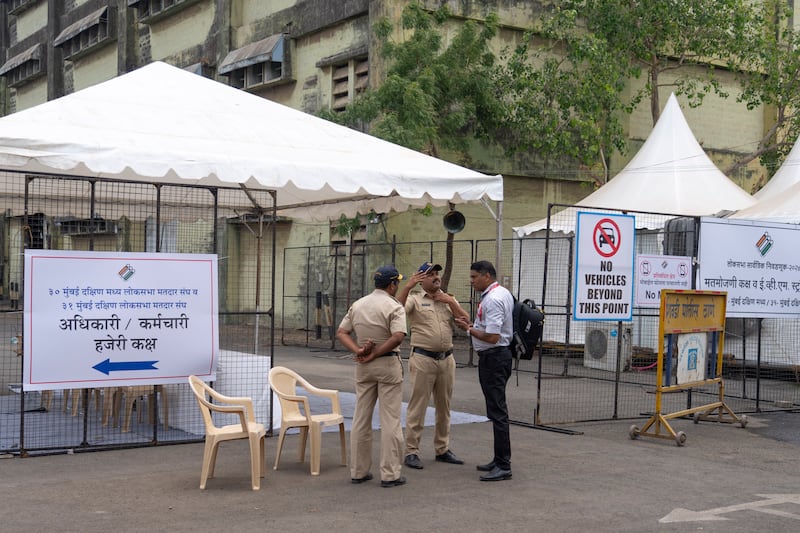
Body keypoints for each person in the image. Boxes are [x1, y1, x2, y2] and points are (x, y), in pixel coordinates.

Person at [336, 265, 407, 488]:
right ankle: (390, 473)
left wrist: (359, 351)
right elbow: (397, 337)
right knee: (390, 421)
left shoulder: (359, 304)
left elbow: (341, 332)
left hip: (363, 365)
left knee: (361, 418)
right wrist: (377, 351)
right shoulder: (393, 306)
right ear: (392, 284)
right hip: (386, 363)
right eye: (397, 283)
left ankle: (358, 470)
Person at [397, 261, 470, 470]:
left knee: (444, 407)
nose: (436, 277)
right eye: (430, 274)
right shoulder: (415, 299)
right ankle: (411, 451)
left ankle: (442, 449)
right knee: (417, 407)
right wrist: (408, 286)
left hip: (446, 360)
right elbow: (396, 310)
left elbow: (466, 321)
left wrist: (451, 302)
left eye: (437, 273)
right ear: (421, 279)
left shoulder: (448, 299)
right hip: (423, 359)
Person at [455, 260, 514, 481]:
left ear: (486, 276)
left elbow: (492, 337)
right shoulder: (500, 294)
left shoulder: (494, 300)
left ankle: (504, 465)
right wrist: (473, 326)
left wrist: (469, 329)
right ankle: (498, 459)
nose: (471, 282)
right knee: (495, 409)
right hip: (495, 357)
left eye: (473, 277)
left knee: (498, 412)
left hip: (495, 358)